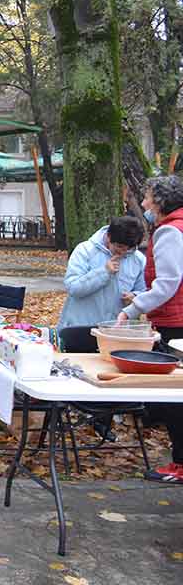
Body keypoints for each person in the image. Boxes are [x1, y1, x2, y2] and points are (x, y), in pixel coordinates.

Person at [115, 176, 183, 483]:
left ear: (161, 201)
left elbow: (167, 284)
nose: (143, 203)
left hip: (175, 323)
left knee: (173, 398)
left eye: (148, 197)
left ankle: (180, 464)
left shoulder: (170, 231)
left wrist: (132, 309)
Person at [58, 216, 146, 329]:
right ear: (109, 237)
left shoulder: (138, 259)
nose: (123, 252)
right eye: (119, 247)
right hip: (82, 327)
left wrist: (135, 296)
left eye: (128, 249)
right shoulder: (85, 250)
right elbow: (73, 288)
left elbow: (144, 291)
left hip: (117, 330)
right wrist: (104, 272)